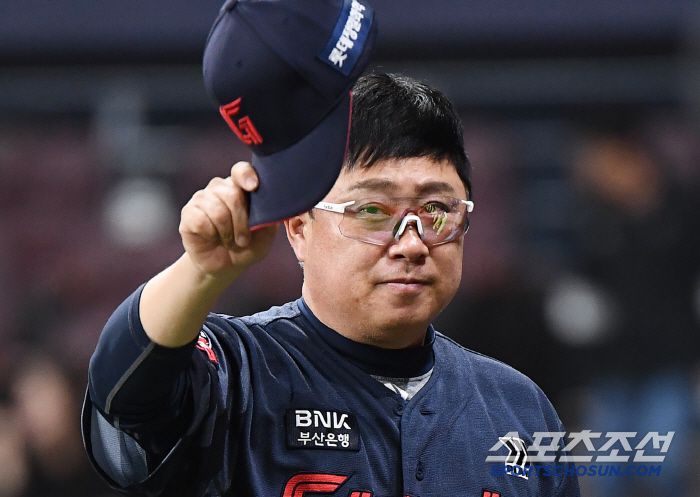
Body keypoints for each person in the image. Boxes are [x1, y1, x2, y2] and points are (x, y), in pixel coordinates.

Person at [82, 73, 580, 497]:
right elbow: (122, 395)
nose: (412, 244)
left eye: (435, 210)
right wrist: (201, 271)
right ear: (299, 227)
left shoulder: (519, 408)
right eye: (372, 210)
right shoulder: (239, 369)